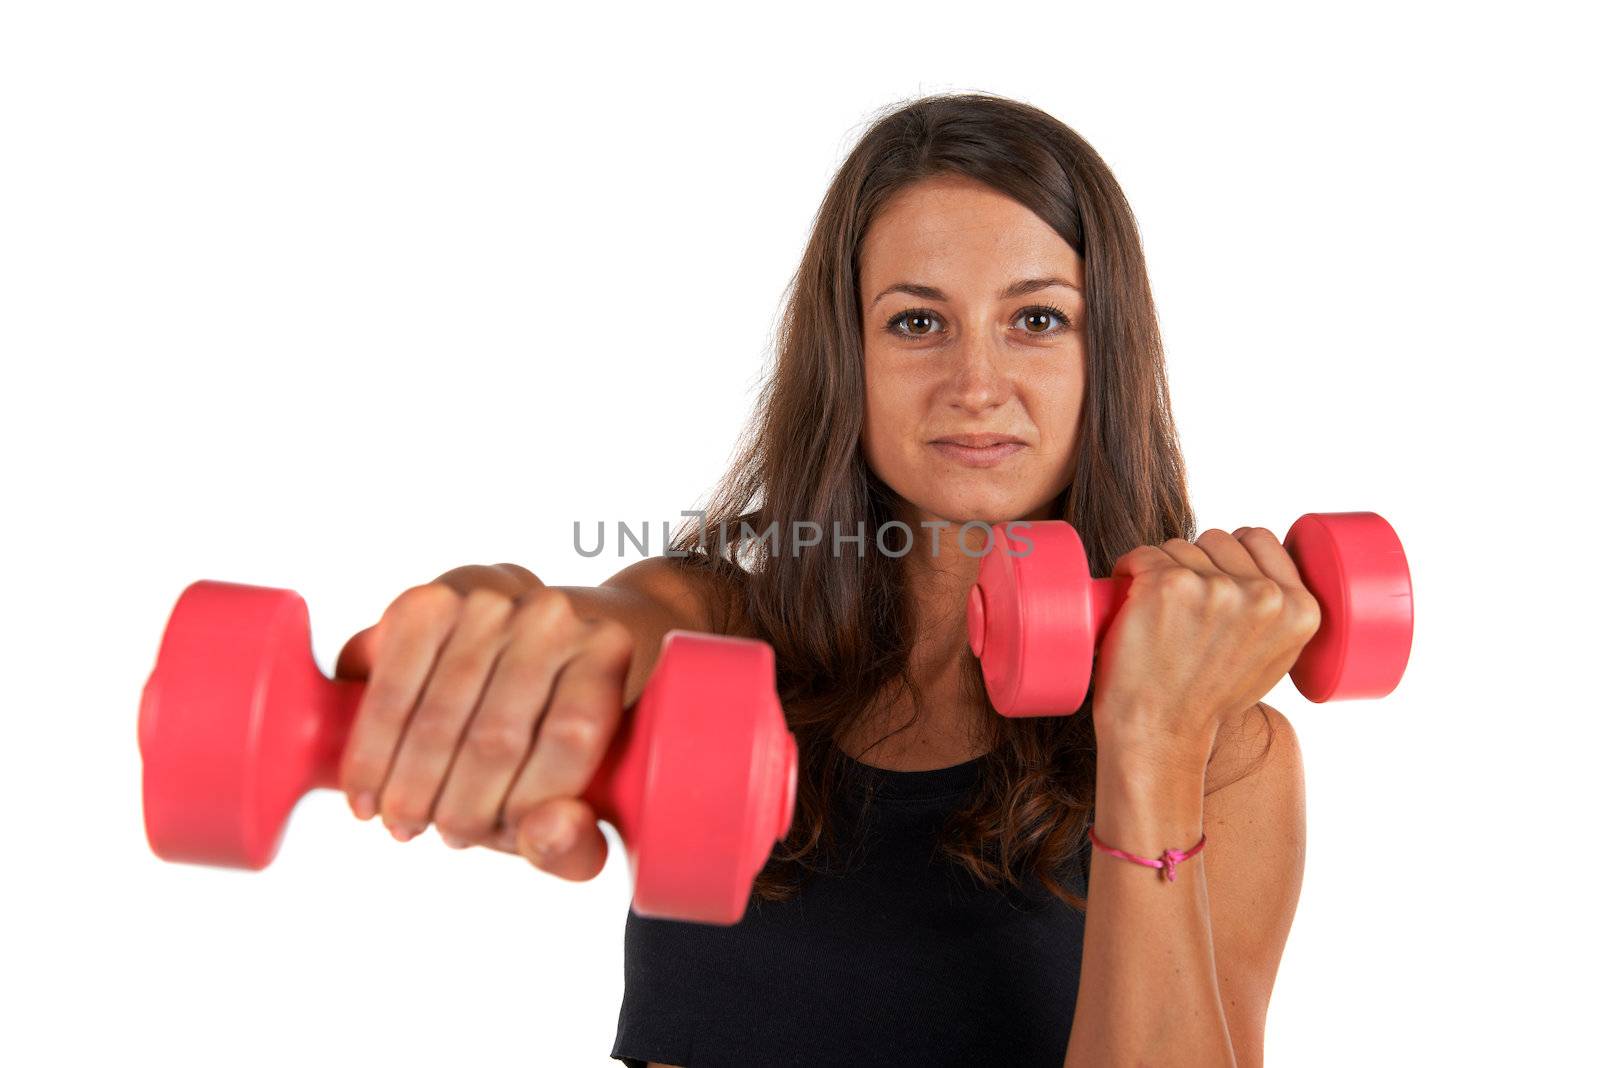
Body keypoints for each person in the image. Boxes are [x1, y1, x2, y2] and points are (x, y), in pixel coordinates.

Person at [330, 92, 1311, 1067]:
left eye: (1038, 319)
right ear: (848, 355)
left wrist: (1151, 740)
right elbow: (602, 629)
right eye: (918, 321)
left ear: (1109, 357)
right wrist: (505, 626)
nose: (975, 384)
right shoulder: (720, 633)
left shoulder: (1226, 754)